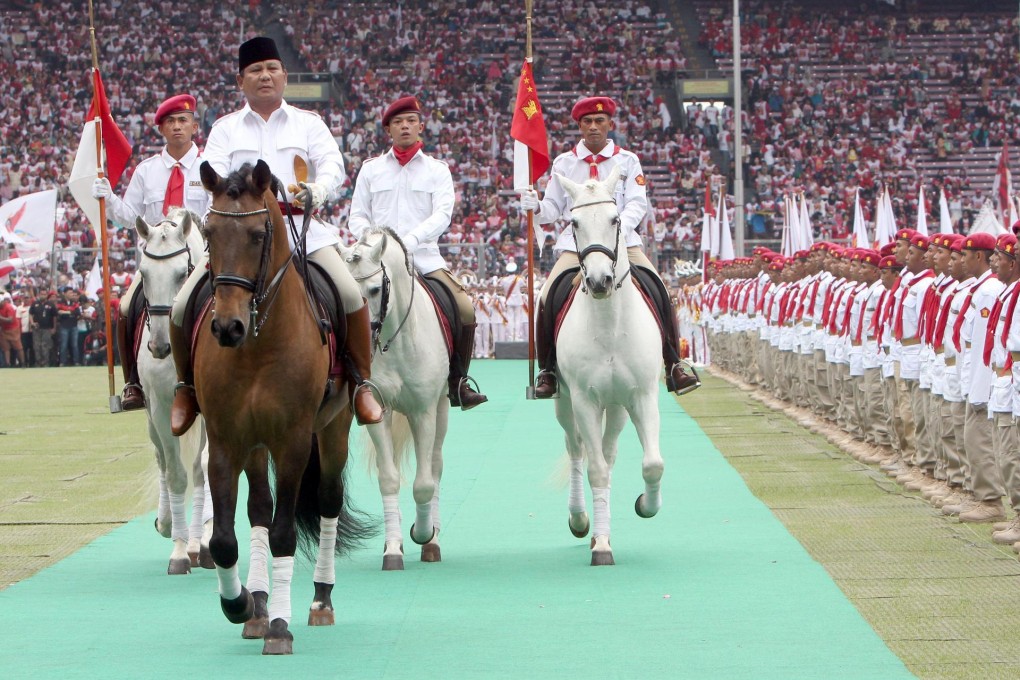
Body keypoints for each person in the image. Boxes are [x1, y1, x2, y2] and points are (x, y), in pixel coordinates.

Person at [168, 36, 383, 435]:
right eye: (254, 70)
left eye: (271, 69)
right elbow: (206, 181)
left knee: (350, 294)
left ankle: (360, 382)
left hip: (301, 229)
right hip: (240, 237)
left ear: (284, 76)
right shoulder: (224, 129)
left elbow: (332, 164)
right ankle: (185, 388)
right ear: (240, 80)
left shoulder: (309, 123)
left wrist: (319, 190)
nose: (264, 76)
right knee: (182, 304)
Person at [519, 96, 699, 398]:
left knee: (660, 291)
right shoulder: (565, 163)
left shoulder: (627, 160)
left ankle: (673, 364)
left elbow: (637, 204)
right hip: (577, 246)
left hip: (623, 243)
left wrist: (615, 234)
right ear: (579, 126)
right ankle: (548, 370)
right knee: (546, 297)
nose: (593, 127)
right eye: (587, 122)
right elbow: (553, 207)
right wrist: (536, 206)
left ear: (610, 125)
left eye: (599, 121)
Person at [348, 95, 487, 410]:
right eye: (398, 122)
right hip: (376, 262)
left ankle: (458, 381)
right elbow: (356, 216)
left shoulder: (437, 170)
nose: (405, 126)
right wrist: (374, 243)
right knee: (343, 303)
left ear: (421, 126)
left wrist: (407, 243)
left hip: (423, 258)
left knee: (464, 309)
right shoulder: (370, 170)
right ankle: (352, 380)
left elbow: (442, 215)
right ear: (389, 130)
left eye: (410, 120)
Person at [92, 93, 209, 410]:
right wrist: (109, 198)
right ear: (161, 130)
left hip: (200, 263)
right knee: (127, 308)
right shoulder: (146, 171)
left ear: (194, 125)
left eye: (183, 120)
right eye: (170, 122)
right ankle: (133, 382)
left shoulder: (211, 166)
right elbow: (130, 216)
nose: (176, 127)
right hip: (158, 265)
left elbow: (217, 215)